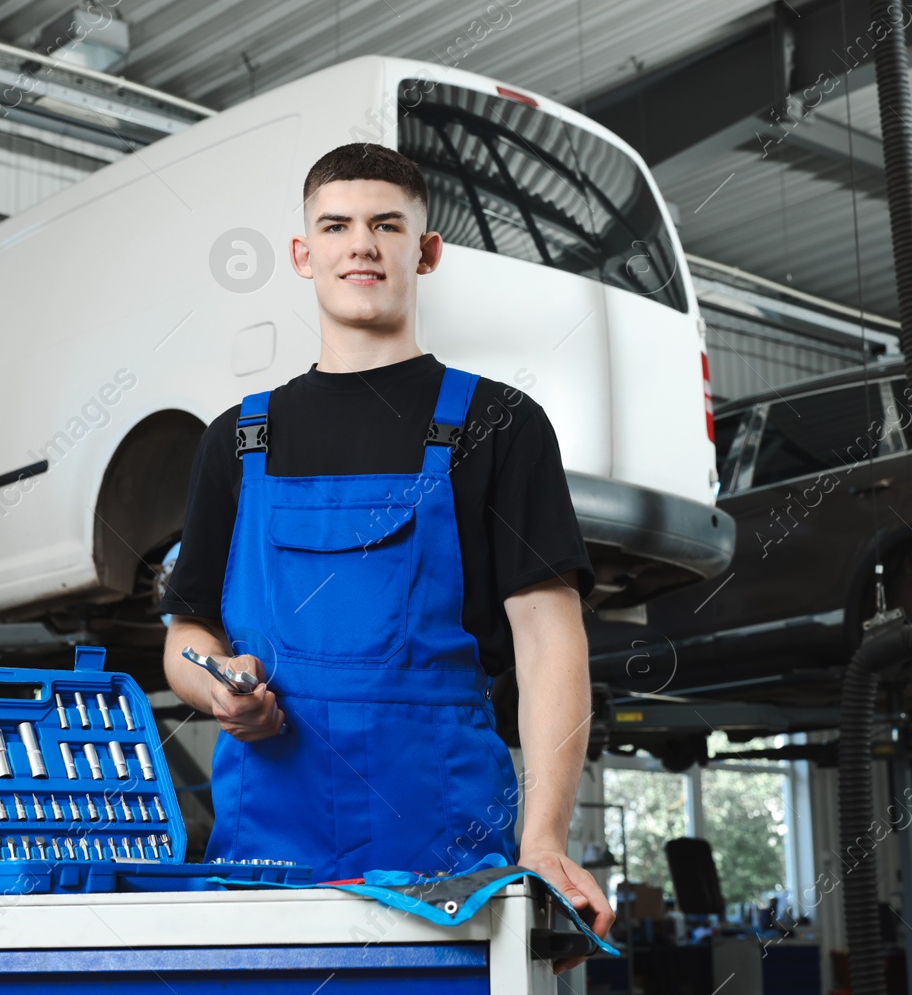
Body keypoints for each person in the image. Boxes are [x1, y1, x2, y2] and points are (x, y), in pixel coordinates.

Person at [160, 142, 614, 970]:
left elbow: (552, 643)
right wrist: (219, 691)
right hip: (265, 863)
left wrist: (543, 838)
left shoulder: (499, 423)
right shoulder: (236, 439)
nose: (360, 244)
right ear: (305, 254)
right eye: (335, 225)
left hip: (444, 865)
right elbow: (186, 633)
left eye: (386, 224)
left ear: (426, 251)